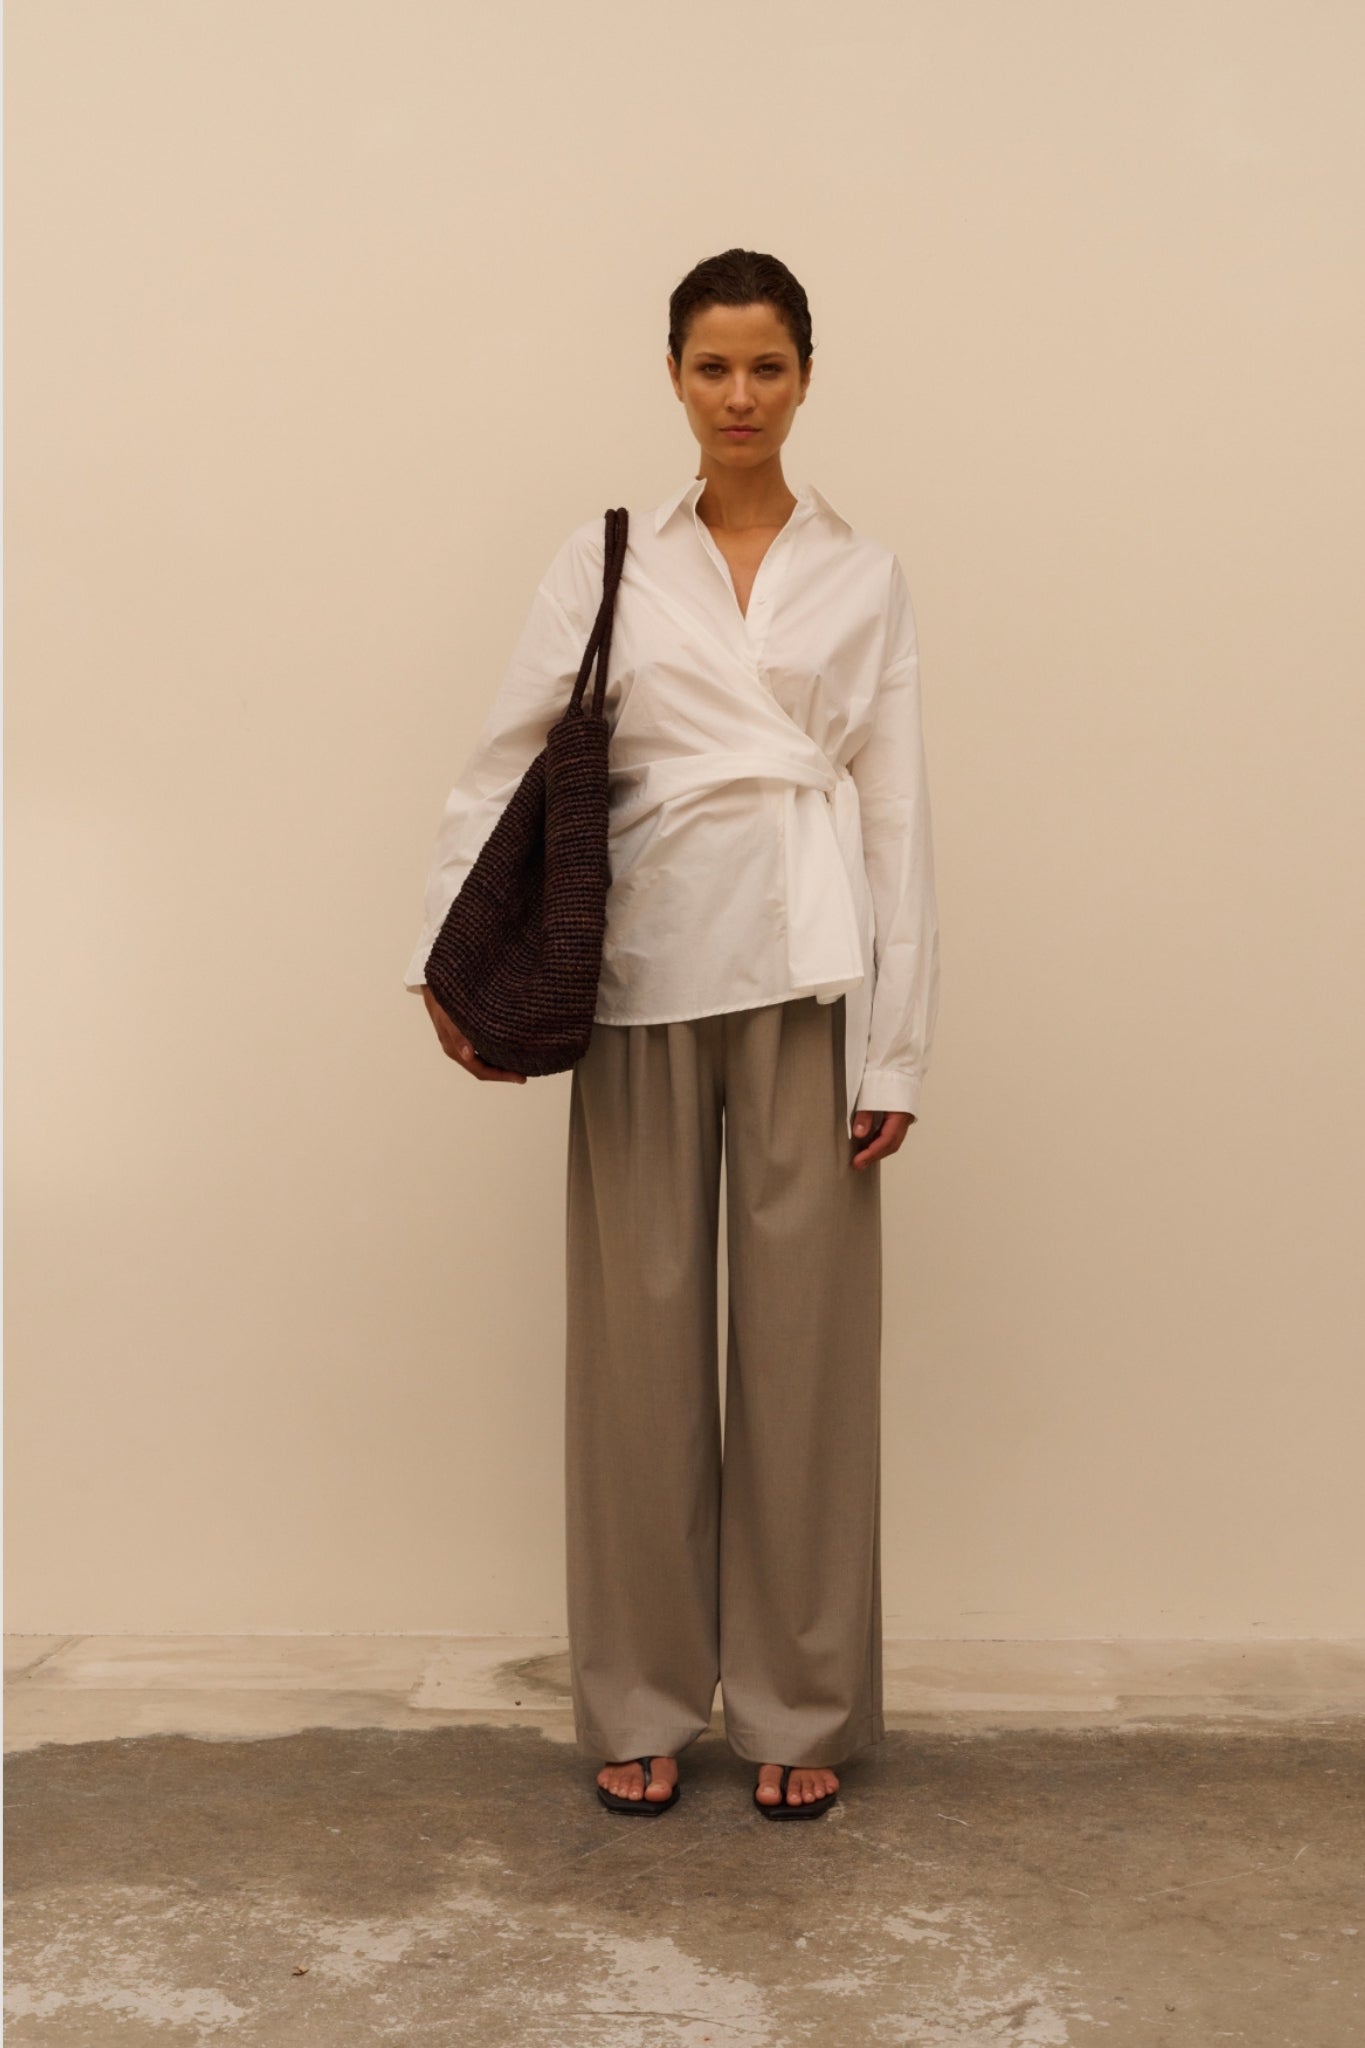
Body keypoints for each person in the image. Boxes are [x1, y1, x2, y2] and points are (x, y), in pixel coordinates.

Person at [405, 248, 939, 1819]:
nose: (739, 396)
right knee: (635, 1359)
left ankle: (798, 1706)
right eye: (712, 367)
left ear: (805, 377)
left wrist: (896, 1046)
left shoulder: (864, 573)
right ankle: (637, 1696)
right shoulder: (607, 558)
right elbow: (503, 757)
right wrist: (443, 968)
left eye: (766, 367)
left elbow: (897, 814)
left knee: (806, 1362)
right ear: (672, 377)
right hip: (637, 972)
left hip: (807, 977)